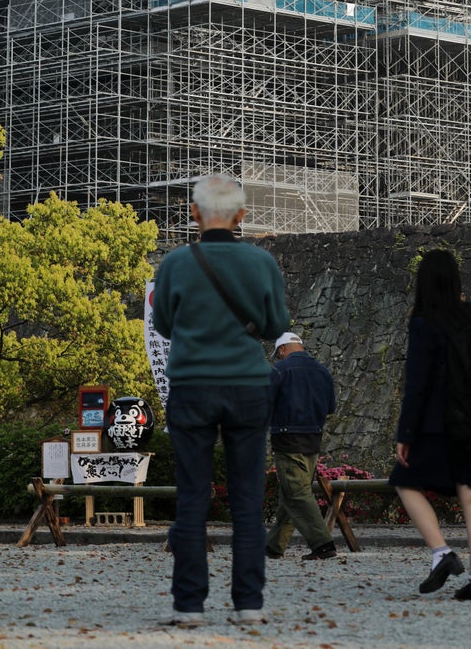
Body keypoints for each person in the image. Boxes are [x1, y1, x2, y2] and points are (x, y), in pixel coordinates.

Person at [153, 175, 290, 628]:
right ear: (241, 216)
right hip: (248, 386)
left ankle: (188, 605)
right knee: (247, 499)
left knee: (192, 498)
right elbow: (274, 326)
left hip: (191, 385)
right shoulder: (261, 263)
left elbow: (166, 325)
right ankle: (248, 602)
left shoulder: (174, 264)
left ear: (194, 213)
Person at [389, 249, 471, 602]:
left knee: (404, 482)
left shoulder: (424, 320)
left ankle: (442, 553)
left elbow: (417, 384)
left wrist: (406, 435)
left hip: (437, 424)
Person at [265, 331, 337, 560]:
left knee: (296, 493)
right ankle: (274, 546)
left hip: (287, 440)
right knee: (293, 492)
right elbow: (330, 407)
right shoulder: (323, 372)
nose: (279, 358)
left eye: (278, 354)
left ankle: (322, 544)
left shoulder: (280, 371)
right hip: (313, 439)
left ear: (283, 349)